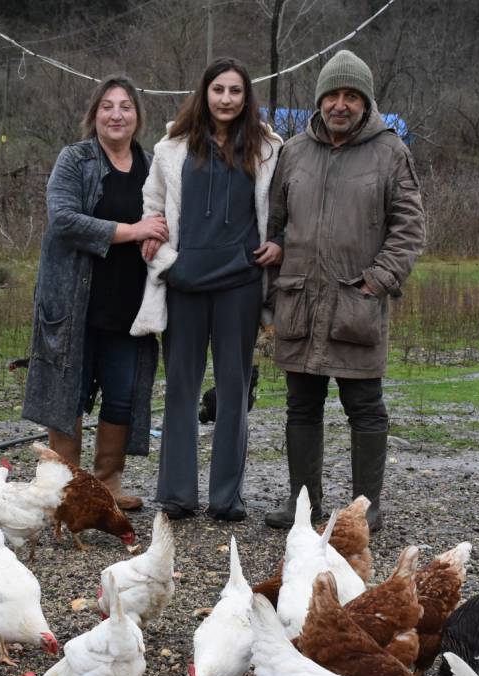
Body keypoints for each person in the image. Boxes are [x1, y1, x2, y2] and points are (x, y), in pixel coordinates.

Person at [263, 49, 427, 533]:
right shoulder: (293, 151)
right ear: (319, 101)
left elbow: (409, 229)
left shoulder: (391, 152)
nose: (340, 104)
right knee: (301, 407)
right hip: (300, 303)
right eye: (332, 95)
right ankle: (303, 508)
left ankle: (365, 509)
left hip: (357, 303)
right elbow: (275, 224)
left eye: (351, 96)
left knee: (365, 408)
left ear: (365, 102)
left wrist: (378, 279)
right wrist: (275, 261)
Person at [129, 57, 284, 521]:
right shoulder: (173, 146)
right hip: (185, 281)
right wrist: (157, 249)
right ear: (205, 93)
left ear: (246, 97)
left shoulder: (267, 148)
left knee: (234, 389)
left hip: (239, 281)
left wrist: (277, 244)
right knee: (180, 387)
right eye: (219, 90)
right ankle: (177, 495)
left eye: (236, 91)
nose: (226, 99)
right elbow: (152, 203)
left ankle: (226, 498)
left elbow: (280, 209)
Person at [23, 75, 167, 511]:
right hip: (75, 305)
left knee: (122, 395)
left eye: (126, 105)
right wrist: (133, 230)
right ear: (94, 114)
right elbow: (63, 218)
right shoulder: (76, 160)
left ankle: (107, 486)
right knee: (70, 393)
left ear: (138, 116)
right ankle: (66, 489)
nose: (117, 114)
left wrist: (157, 236)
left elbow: (165, 219)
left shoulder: (151, 164)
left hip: (130, 308)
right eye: (107, 106)